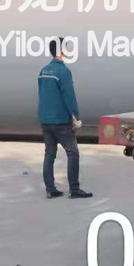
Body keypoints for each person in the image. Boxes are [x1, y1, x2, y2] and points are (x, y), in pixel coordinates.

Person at [37, 38, 92, 199]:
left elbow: (42, 95)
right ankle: (74, 190)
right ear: (61, 50)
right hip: (61, 121)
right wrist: (76, 117)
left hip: (45, 120)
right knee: (73, 153)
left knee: (49, 154)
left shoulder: (43, 71)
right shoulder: (64, 71)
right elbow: (69, 97)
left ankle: (50, 189)